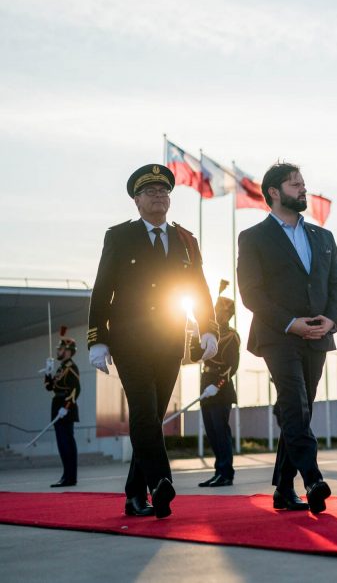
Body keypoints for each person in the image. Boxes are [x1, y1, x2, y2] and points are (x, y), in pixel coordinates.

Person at [88, 164, 218, 517]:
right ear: (136, 200)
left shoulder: (185, 240)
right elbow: (102, 291)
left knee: (151, 418)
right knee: (144, 413)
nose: (159, 196)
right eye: (151, 192)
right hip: (130, 341)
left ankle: (134, 496)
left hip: (170, 339)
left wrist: (208, 327)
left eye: (164, 191)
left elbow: (199, 290)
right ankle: (161, 481)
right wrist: (96, 339)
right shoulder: (119, 237)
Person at [237, 162, 337, 514]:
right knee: (294, 402)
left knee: (299, 409)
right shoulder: (253, 238)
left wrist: (330, 320)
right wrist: (290, 323)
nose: (303, 189)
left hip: (318, 334)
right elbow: (251, 293)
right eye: (295, 184)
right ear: (274, 192)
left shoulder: (323, 237)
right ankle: (313, 478)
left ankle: (284, 490)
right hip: (277, 335)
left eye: (303, 183)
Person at [197, 294, 241, 488]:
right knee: (212, 433)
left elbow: (232, 366)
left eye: (221, 312)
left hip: (219, 389)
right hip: (206, 386)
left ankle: (226, 472)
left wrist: (218, 385)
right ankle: (219, 472)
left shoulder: (232, 336)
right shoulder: (207, 333)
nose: (217, 315)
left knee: (221, 431)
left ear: (228, 315)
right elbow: (195, 355)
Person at [43, 330, 81, 487]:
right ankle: (67, 475)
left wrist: (66, 407)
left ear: (68, 351)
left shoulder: (72, 367)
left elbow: (75, 389)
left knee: (67, 443)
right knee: (62, 443)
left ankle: (70, 477)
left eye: (60, 349)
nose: (58, 351)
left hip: (66, 408)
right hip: (57, 405)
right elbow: (50, 387)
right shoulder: (60, 368)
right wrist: (48, 372)